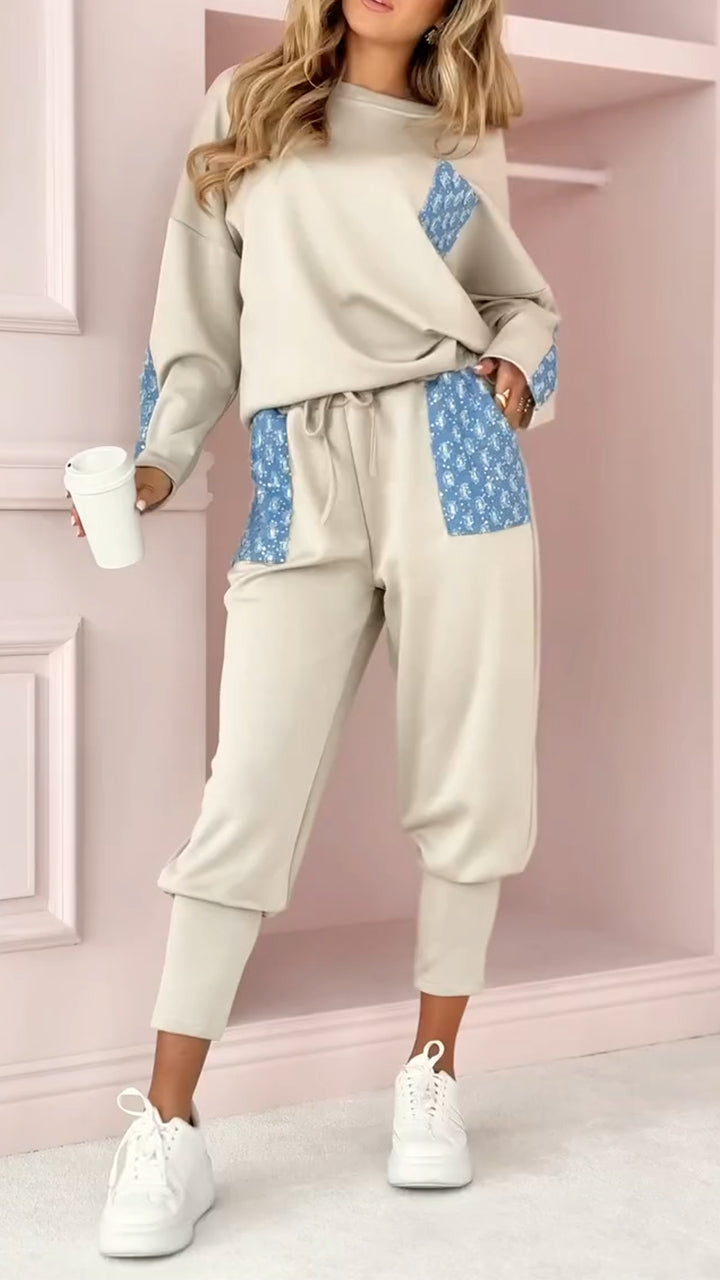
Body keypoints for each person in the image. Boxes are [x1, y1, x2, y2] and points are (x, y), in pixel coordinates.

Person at [78, 0, 559, 1259]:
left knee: (470, 774)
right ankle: (169, 1123)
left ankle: (433, 1075)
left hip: (452, 450)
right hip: (298, 460)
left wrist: (520, 367)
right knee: (246, 791)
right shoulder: (250, 107)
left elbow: (513, 295)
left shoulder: (459, 131)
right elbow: (195, 310)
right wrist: (161, 457)